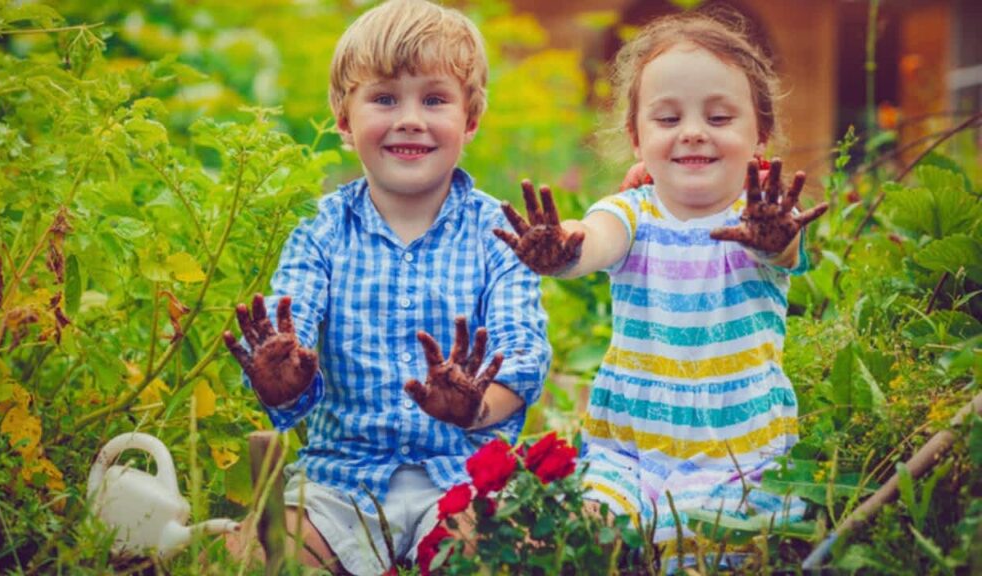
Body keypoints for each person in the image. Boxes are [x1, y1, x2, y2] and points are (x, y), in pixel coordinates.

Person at [222, 1, 551, 573]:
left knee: (491, 552)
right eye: (384, 99)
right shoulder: (320, 233)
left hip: (461, 472)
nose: (410, 119)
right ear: (345, 120)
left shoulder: (497, 235)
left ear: (470, 119)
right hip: (339, 479)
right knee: (265, 553)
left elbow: (522, 356)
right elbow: (288, 332)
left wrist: (472, 409)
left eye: (434, 99)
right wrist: (282, 379)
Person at [494, 11, 827, 544]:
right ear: (636, 137)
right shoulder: (633, 212)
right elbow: (596, 238)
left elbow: (785, 253)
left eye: (719, 119)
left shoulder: (762, 220)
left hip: (735, 461)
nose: (693, 132)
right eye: (668, 120)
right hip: (626, 455)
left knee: (700, 546)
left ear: (760, 134)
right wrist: (562, 250)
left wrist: (775, 238)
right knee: (586, 532)